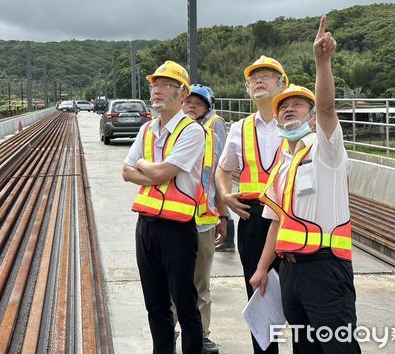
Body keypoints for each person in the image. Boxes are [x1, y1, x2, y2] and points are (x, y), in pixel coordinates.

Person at [251, 16, 361, 353]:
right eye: (283, 106)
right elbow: (275, 222)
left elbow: (328, 106)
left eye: (297, 104)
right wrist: (261, 268)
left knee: (338, 349)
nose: (287, 110)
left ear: (311, 117)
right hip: (291, 272)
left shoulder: (325, 150)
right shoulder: (285, 163)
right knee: (304, 350)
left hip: (325, 270)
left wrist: (322, 61)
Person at [122, 60, 204, 354]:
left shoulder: (191, 131)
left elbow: (156, 174)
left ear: (182, 94)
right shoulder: (146, 129)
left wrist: (144, 164)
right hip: (145, 226)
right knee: (155, 304)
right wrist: (152, 169)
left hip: (177, 229)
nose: (157, 90)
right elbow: (125, 172)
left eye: (165, 84)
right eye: (155, 85)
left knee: (184, 304)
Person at [215, 55, 289, 354]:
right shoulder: (241, 128)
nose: (258, 81)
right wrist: (226, 195)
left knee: (296, 294)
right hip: (252, 217)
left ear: (282, 84)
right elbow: (223, 168)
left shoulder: (296, 122)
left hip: (291, 219)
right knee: (258, 292)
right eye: (252, 78)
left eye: (266, 75)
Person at [179, 84, 228, 354]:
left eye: (198, 103)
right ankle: (172, 332)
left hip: (204, 220)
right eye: (188, 102)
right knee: (173, 282)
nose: (191, 106)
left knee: (201, 283)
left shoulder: (213, 128)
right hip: (174, 220)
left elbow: (218, 176)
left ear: (207, 107)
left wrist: (223, 215)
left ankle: (202, 335)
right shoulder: (169, 129)